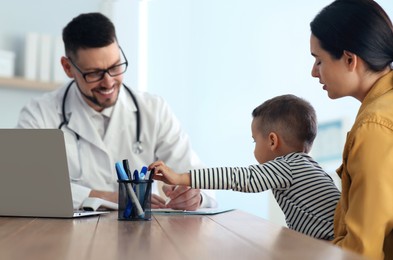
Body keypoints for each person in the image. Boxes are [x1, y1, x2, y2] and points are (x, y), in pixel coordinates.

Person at [16, 12, 216, 211]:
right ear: (68, 68)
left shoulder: (153, 109)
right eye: (94, 73)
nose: (109, 82)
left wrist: (194, 197)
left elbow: (198, 179)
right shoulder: (39, 113)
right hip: (67, 236)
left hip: (139, 237)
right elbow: (23, 186)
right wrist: (106, 198)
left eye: (115, 67)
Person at [149, 94, 341, 240]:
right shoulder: (310, 166)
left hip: (326, 245)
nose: (254, 148)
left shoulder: (287, 166)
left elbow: (239, 178)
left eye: (254, 141)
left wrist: (180, 178)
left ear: (273, 141)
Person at [310, 0, 393, 258]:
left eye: (319, 60)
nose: (314, 72)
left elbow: (361, 251)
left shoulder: (374, 127)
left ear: (349, 59)